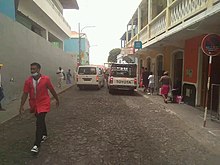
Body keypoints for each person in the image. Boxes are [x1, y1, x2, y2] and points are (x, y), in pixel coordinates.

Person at [19, 62, 59, 153]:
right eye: (31, 69)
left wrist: (57, 99)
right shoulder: (28, 81)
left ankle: (36, 144)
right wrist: (21, 105)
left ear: (39, 69)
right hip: (34, 105)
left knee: (39, 122)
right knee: (40, 120)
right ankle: (44, 134)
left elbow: (52, 89)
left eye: (34, 69)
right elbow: (25, 94)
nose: (32, 71)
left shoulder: (46, 79)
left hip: (44, 103)